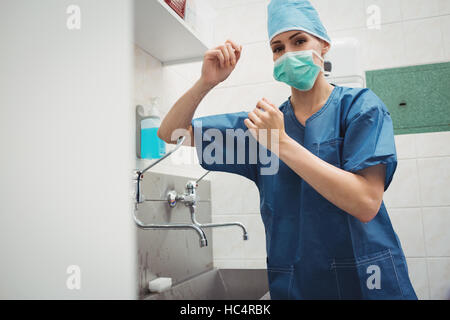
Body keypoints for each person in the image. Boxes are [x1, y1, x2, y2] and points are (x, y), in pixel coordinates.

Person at [158, 0, 417, 300]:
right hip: (300, 288)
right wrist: (206, 82)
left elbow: (365, 202)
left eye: (299, 41)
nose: (289, 53)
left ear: (323, 45)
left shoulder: (360, 108)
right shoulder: (259, 129)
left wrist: (281, 143)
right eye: (278, 48)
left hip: (367, 284)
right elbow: (172, 133)